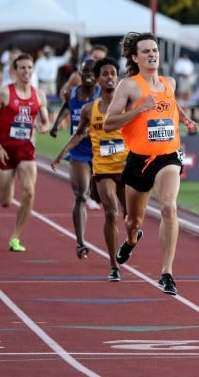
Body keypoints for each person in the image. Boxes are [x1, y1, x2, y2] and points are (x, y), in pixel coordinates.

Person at [103, 32, 198, 295]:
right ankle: (132, 239)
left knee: (169, 207)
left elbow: (172, 106)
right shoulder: (129, 86)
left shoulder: (170, 82)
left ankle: (166, 273)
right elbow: (108, 123)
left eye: (154, 50)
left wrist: (186, 120)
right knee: (133, 221)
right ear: (135, 57)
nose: (152, 54)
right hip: (138, 161)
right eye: (145, 51)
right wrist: (140, 109)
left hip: (167, 157)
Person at [51, 57, 128, 281]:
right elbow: (73, 123)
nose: (108, 77)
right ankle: (109, 261)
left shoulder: (125, 103)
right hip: (94, 160)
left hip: (122, 165)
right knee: (99, 204)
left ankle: (130, 240)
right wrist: (61, 151)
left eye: (112, 73)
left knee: (131, 218)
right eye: (103, 73)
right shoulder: (83, 102)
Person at [0, 53, 50, 252]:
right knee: (5, 201)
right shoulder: (4, 93)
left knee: (29, 192)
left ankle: (15, 237)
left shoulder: (39, 95)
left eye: (29, 68)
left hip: (25, 149)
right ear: (15, 70)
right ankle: (9, 179)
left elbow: (46, 122)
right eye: (22, 68)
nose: (26, 71)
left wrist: (43, 127)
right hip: (4, 149)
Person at [49, 59, 101, 259]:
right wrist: (55, 125)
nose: (88, 74)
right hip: (78, 149)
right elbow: (66, 107)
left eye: (92, 71)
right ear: (80, 72)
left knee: (98, 196)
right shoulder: (73, 93)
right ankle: (80, 242)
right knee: (80, 194)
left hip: (99, 151)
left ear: (96, 76)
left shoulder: (101, 95)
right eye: (85, 71)